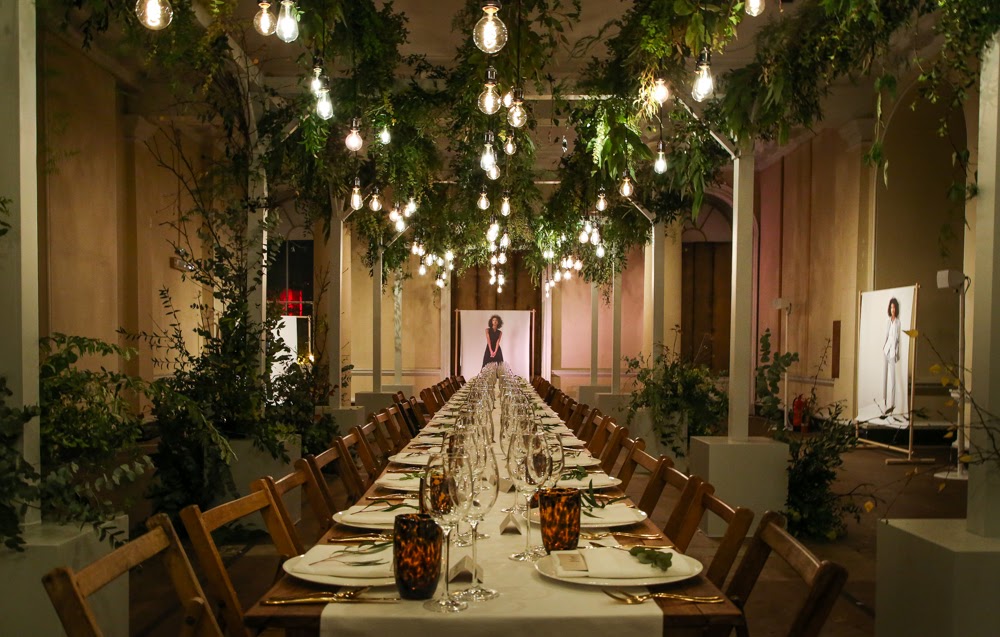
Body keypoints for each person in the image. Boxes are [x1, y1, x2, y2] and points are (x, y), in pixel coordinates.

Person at [882, 297, 901, 412]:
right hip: (886, 351)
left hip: (893, 352)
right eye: (891, 307)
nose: (892, 309)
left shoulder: (898, 322)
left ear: (896, 308)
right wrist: (883, 347)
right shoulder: (888, 321)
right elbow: (886, 335)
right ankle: (884, 402)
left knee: (893, 379)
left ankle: (892, 404)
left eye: (894, 307)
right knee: (884, 377)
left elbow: (897, 339)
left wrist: (897, 352)